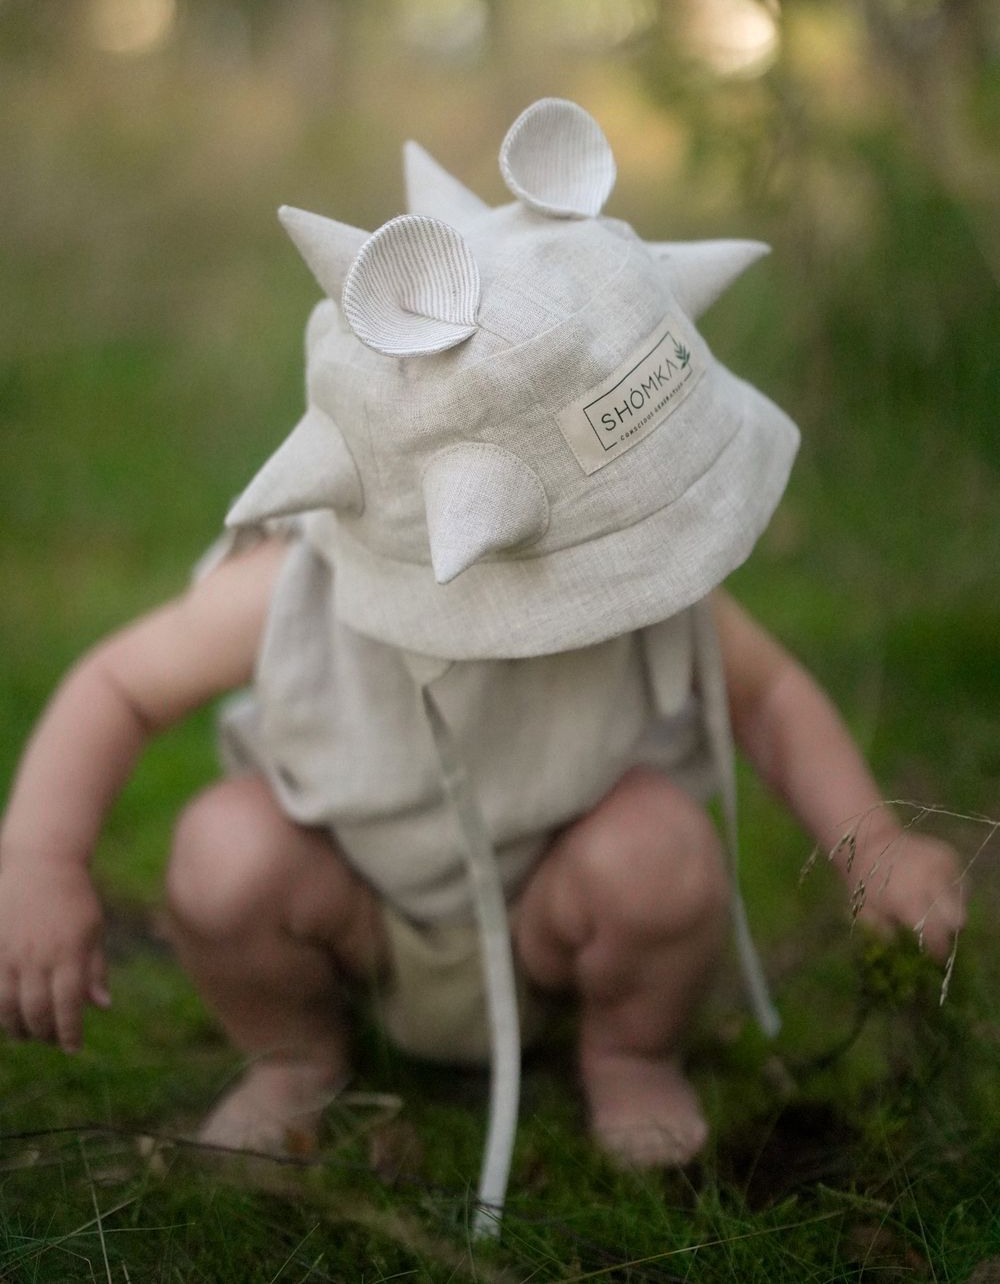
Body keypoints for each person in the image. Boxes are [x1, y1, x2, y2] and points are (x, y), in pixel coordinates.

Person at [0, 101, 965, 1181]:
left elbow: (771, 699)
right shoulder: (298, 583)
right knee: (223, 855)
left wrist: (872, 843)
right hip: (356, 909)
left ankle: (628, 1051)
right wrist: (38, 861)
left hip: (563, 907)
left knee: (662, 852)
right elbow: (116, 685)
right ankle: (293, 1056)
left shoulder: (639, 578)